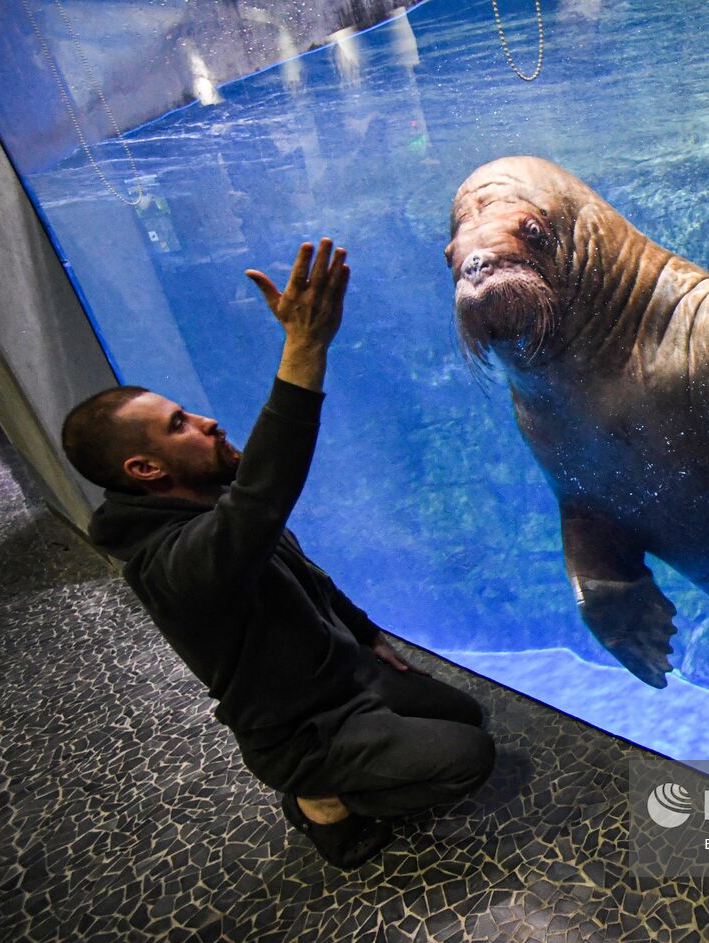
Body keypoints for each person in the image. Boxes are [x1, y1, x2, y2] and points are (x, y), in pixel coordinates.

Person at [61, 239, 495, 869]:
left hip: (344, 672)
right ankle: (323, 803)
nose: (207, 421)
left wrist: (367, 634)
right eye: (179, 423)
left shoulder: (210, 505)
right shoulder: (175, 565)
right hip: (304, 731)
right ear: (146, 468)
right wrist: (305, 344)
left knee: (466, 716)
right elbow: (266, 494)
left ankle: (357, 760)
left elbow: (305, 575)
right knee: (467, 761)